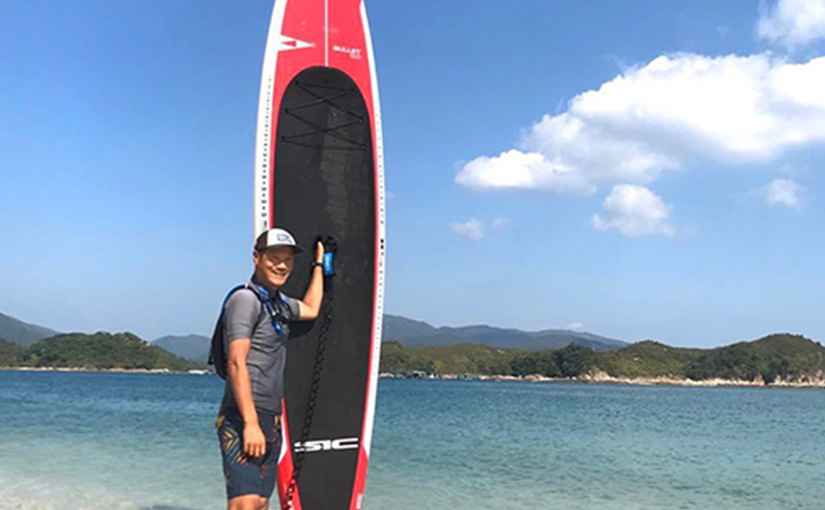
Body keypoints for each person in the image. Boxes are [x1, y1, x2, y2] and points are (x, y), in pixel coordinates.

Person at [215, 227, 324, 510]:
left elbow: (311, 309)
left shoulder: (278, 304)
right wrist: (250, 423)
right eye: (274, 257)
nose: (282, 265)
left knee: (262, 502)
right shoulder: (245, 300)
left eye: (287, 259)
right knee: (245, 504)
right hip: (243, 417)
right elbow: (236, 362)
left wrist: (319, 266)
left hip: (271, 418)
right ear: (256, 258)